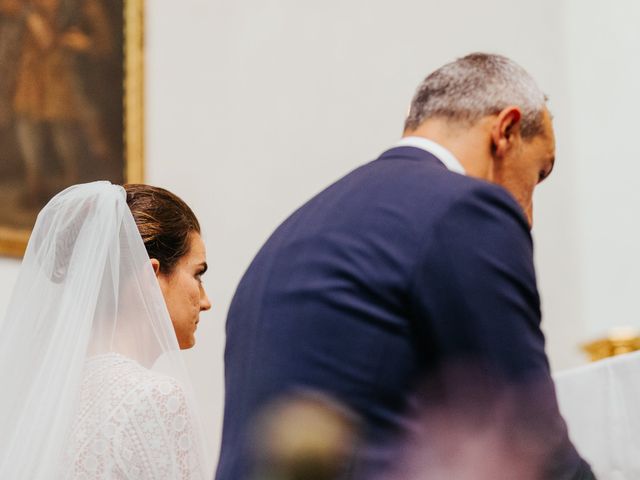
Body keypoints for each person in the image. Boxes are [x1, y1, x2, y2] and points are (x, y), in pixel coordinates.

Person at [215, 53, 595, 479]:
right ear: (505, 131)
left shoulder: (295, 229)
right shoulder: (465, 207)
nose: (528, 216)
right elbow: (527, 436)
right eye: (539, 173)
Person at [0, 181, 212, 479]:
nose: (206, 301)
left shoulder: (48, 396)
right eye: (197, 275)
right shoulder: (156, 397)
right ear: (150, 278)